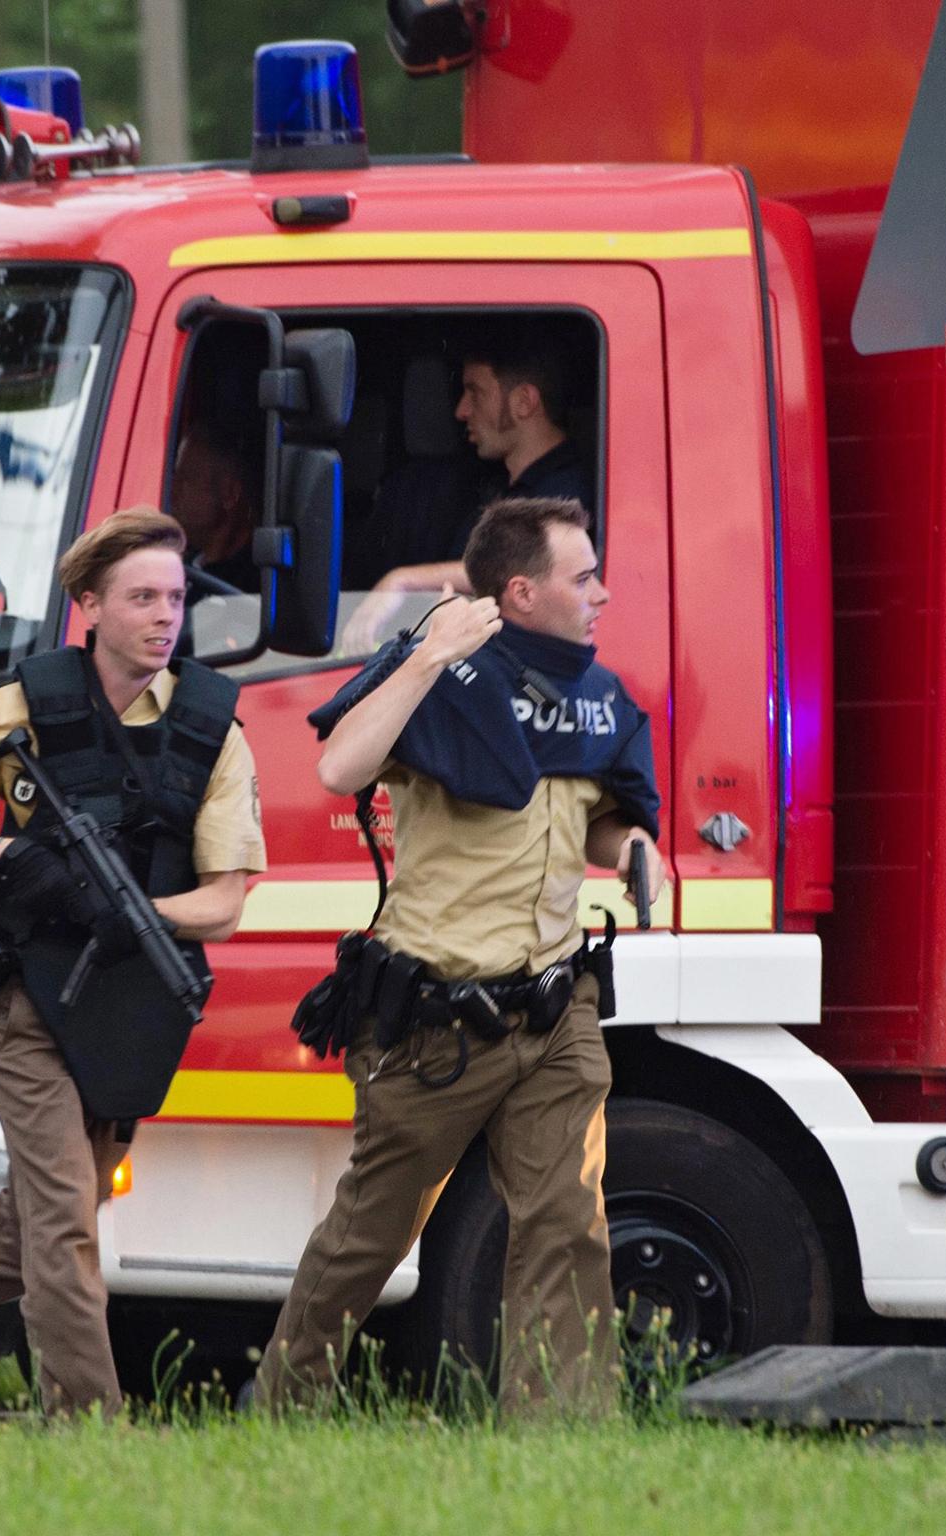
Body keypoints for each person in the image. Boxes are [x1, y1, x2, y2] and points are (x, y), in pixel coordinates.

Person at [0, 508, 267, 1416]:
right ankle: (87, 1426)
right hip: (26, 996)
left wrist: (130, 912)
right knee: (64, 1222)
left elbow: (225, 901)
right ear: (89, 606)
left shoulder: (213, 726)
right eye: (142, 597)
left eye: (176, 598)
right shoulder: (18, 708)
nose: (164, 616)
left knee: (40, 1221)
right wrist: (10, 858)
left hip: (131, 1002)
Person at [256, 496, 664, 1419]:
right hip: (438, 1024)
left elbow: (601, 818)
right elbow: (340, 768)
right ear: (521, 591)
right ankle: (284, 1403)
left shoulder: (595, 695)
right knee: (372, 1234)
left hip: (556, 1010)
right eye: (583, 575)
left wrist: (633, 847)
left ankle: (560, 1435)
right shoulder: (443, 683)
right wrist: (429, 651)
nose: (602, 592)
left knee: (566, 1225)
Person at [341, 332, 593, 653]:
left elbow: (519, 569)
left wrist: (402, 581)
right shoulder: (494, 486)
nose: (461, 410)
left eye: (475, 392)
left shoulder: (566, 495)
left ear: (523, 403)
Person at [168, 418, 261, 594]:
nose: (173, 491)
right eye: (174, 477)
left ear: (229, 494)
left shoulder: (253, 588)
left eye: (186, 479)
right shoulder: (175, 566)